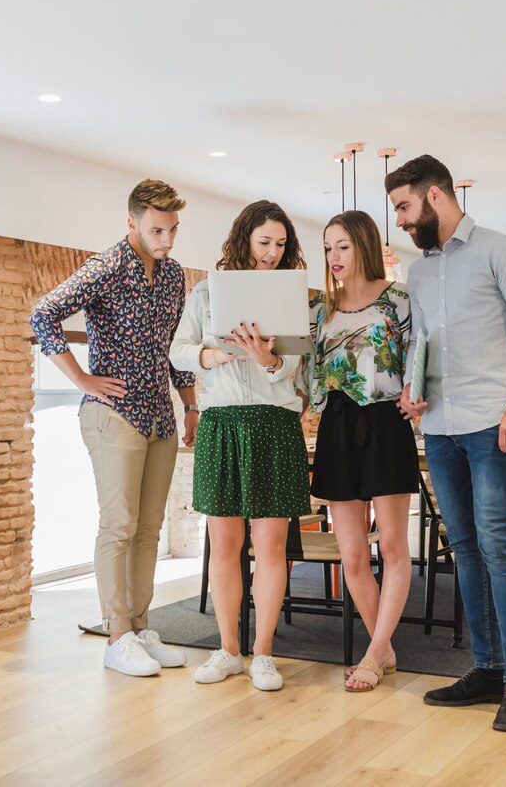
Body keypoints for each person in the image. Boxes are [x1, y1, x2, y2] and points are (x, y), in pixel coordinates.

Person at [388, 154, 506, 732]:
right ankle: (485, 669)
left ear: (435, 196)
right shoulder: (420, 271)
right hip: (439, 429)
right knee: (462, 546)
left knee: (500, 546)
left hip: (493, 423)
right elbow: (423, 342)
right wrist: (414, 388)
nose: (402, 223)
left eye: (405, 208)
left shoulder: (502, 250)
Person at [30, 179, 197, 677]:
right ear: (132, 224)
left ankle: (141, 628)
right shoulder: (106, 267)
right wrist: (80, 377)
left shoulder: (171, 277)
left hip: (161, 416)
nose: (167, 240)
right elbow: (44, 314)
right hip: (115, 415)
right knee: (119, 525)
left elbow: (174, 345)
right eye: (157, 230)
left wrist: (190, 404)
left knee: (149, 529)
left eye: (173, 230)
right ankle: (117, 635)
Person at [169, 200, 310, 692]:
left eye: (280, 244)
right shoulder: (206, 293)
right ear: (245, 238)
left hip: (274, 423)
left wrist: (270, 360)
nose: (272, 252)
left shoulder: (294, 297)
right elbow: (178, 349)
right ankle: (228, 650)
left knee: (270, 546)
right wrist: (210, 354)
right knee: (224, 545)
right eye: (264, 241)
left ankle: (264, 654)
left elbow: (298, 369)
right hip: (221, 423)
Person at [306, 210, 419, 693]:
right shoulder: (319, 313)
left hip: (386, 422)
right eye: (329, 247)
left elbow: (420, 358)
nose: (334, 257)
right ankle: (384, 647)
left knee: (392, 547)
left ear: (365, 247)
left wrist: (416, 394)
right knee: (352, 555)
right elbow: (306, 376)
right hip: (336, 424)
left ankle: (373, 656)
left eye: (343, 247)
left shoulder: (398, 301)